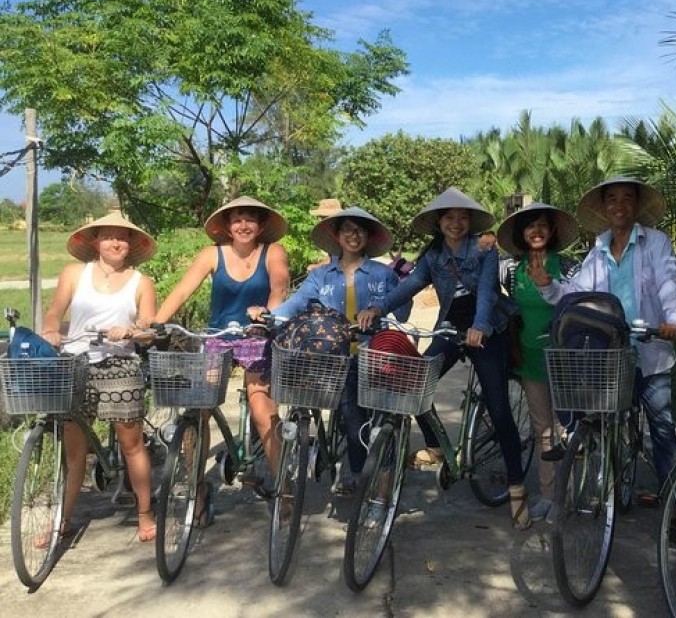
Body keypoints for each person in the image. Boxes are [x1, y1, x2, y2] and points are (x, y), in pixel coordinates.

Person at [357, 187, 531, 529]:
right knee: (415, 380)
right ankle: (436, 446)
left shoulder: (485, 249)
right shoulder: (433, 255)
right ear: (439, 222)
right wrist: (377, 308)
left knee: (499, 409)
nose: (456, 223)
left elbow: (486, 293)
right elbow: (410, 286)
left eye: (463, 217)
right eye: (449, 217)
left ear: (470, 221)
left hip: (488, 328)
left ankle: (516, 487)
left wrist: (480, 326)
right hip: (450, 327)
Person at [526, 176, 676, 496]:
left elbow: (669, 285)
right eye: (612, 199)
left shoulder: (655, 242)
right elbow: (575, 293)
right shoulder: (598, 248)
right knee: (598, 411)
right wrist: (547, 285)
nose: (619, 205)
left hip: (650, 345)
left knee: (663, 430)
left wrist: (674, 321)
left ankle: (675, 508)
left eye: (627, 198)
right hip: (611, 350)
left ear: (637, 205)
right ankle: (589, 451)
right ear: (604, 207)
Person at [155, 196, 289, 522]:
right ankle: (196, 488)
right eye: (237, 220)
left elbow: (280, 285)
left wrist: (267, 316)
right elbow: (183, 291)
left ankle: (284, 487)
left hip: (257, 334)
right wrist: (155, 323)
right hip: (217, 337)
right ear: (227, 227)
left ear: (260, 226)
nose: (243, 226)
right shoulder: (212, 254)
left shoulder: (273, 251)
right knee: (197, 409)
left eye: (250, 220)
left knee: (261, 409)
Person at [258, 206, 411, 494]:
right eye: (348, 230)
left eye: (360, 230)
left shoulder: (382, 273)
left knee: (370, 417)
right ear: (337, 237)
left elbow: (401, 312)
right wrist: (268, 316)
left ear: (368, 237)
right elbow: (295, 304)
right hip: (334, 357)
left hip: (374, 352)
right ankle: (356, 470)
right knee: (350, 414)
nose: (355, 235)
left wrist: (393, 297)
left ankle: (372, 478)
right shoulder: (321, 276)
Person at [39, 211, 159, 543]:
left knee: (131, 442)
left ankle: (145, 514)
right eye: (108, 236)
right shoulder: (74, 274)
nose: (115, 242)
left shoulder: (141, 282)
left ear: (131, 243)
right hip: (76, 362)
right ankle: (61, 522)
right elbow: (55, 310)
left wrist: (132, 331)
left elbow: (150, 327)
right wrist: (50, 330)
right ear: (95, 241)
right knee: (74, 449)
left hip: (120, 365)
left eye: (122, 237)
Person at [497, 202, 580, 522]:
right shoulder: (509, 269)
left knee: (566, 428)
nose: (537, 230)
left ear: (553, 230)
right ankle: (549, 494)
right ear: (521, 233)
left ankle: (568, 494)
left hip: (564, 357)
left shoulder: (569, 266)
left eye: (543, 224)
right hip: (529, 357)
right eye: (530, 226)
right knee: (542, 428)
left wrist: (548, 282)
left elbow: (576, 301)